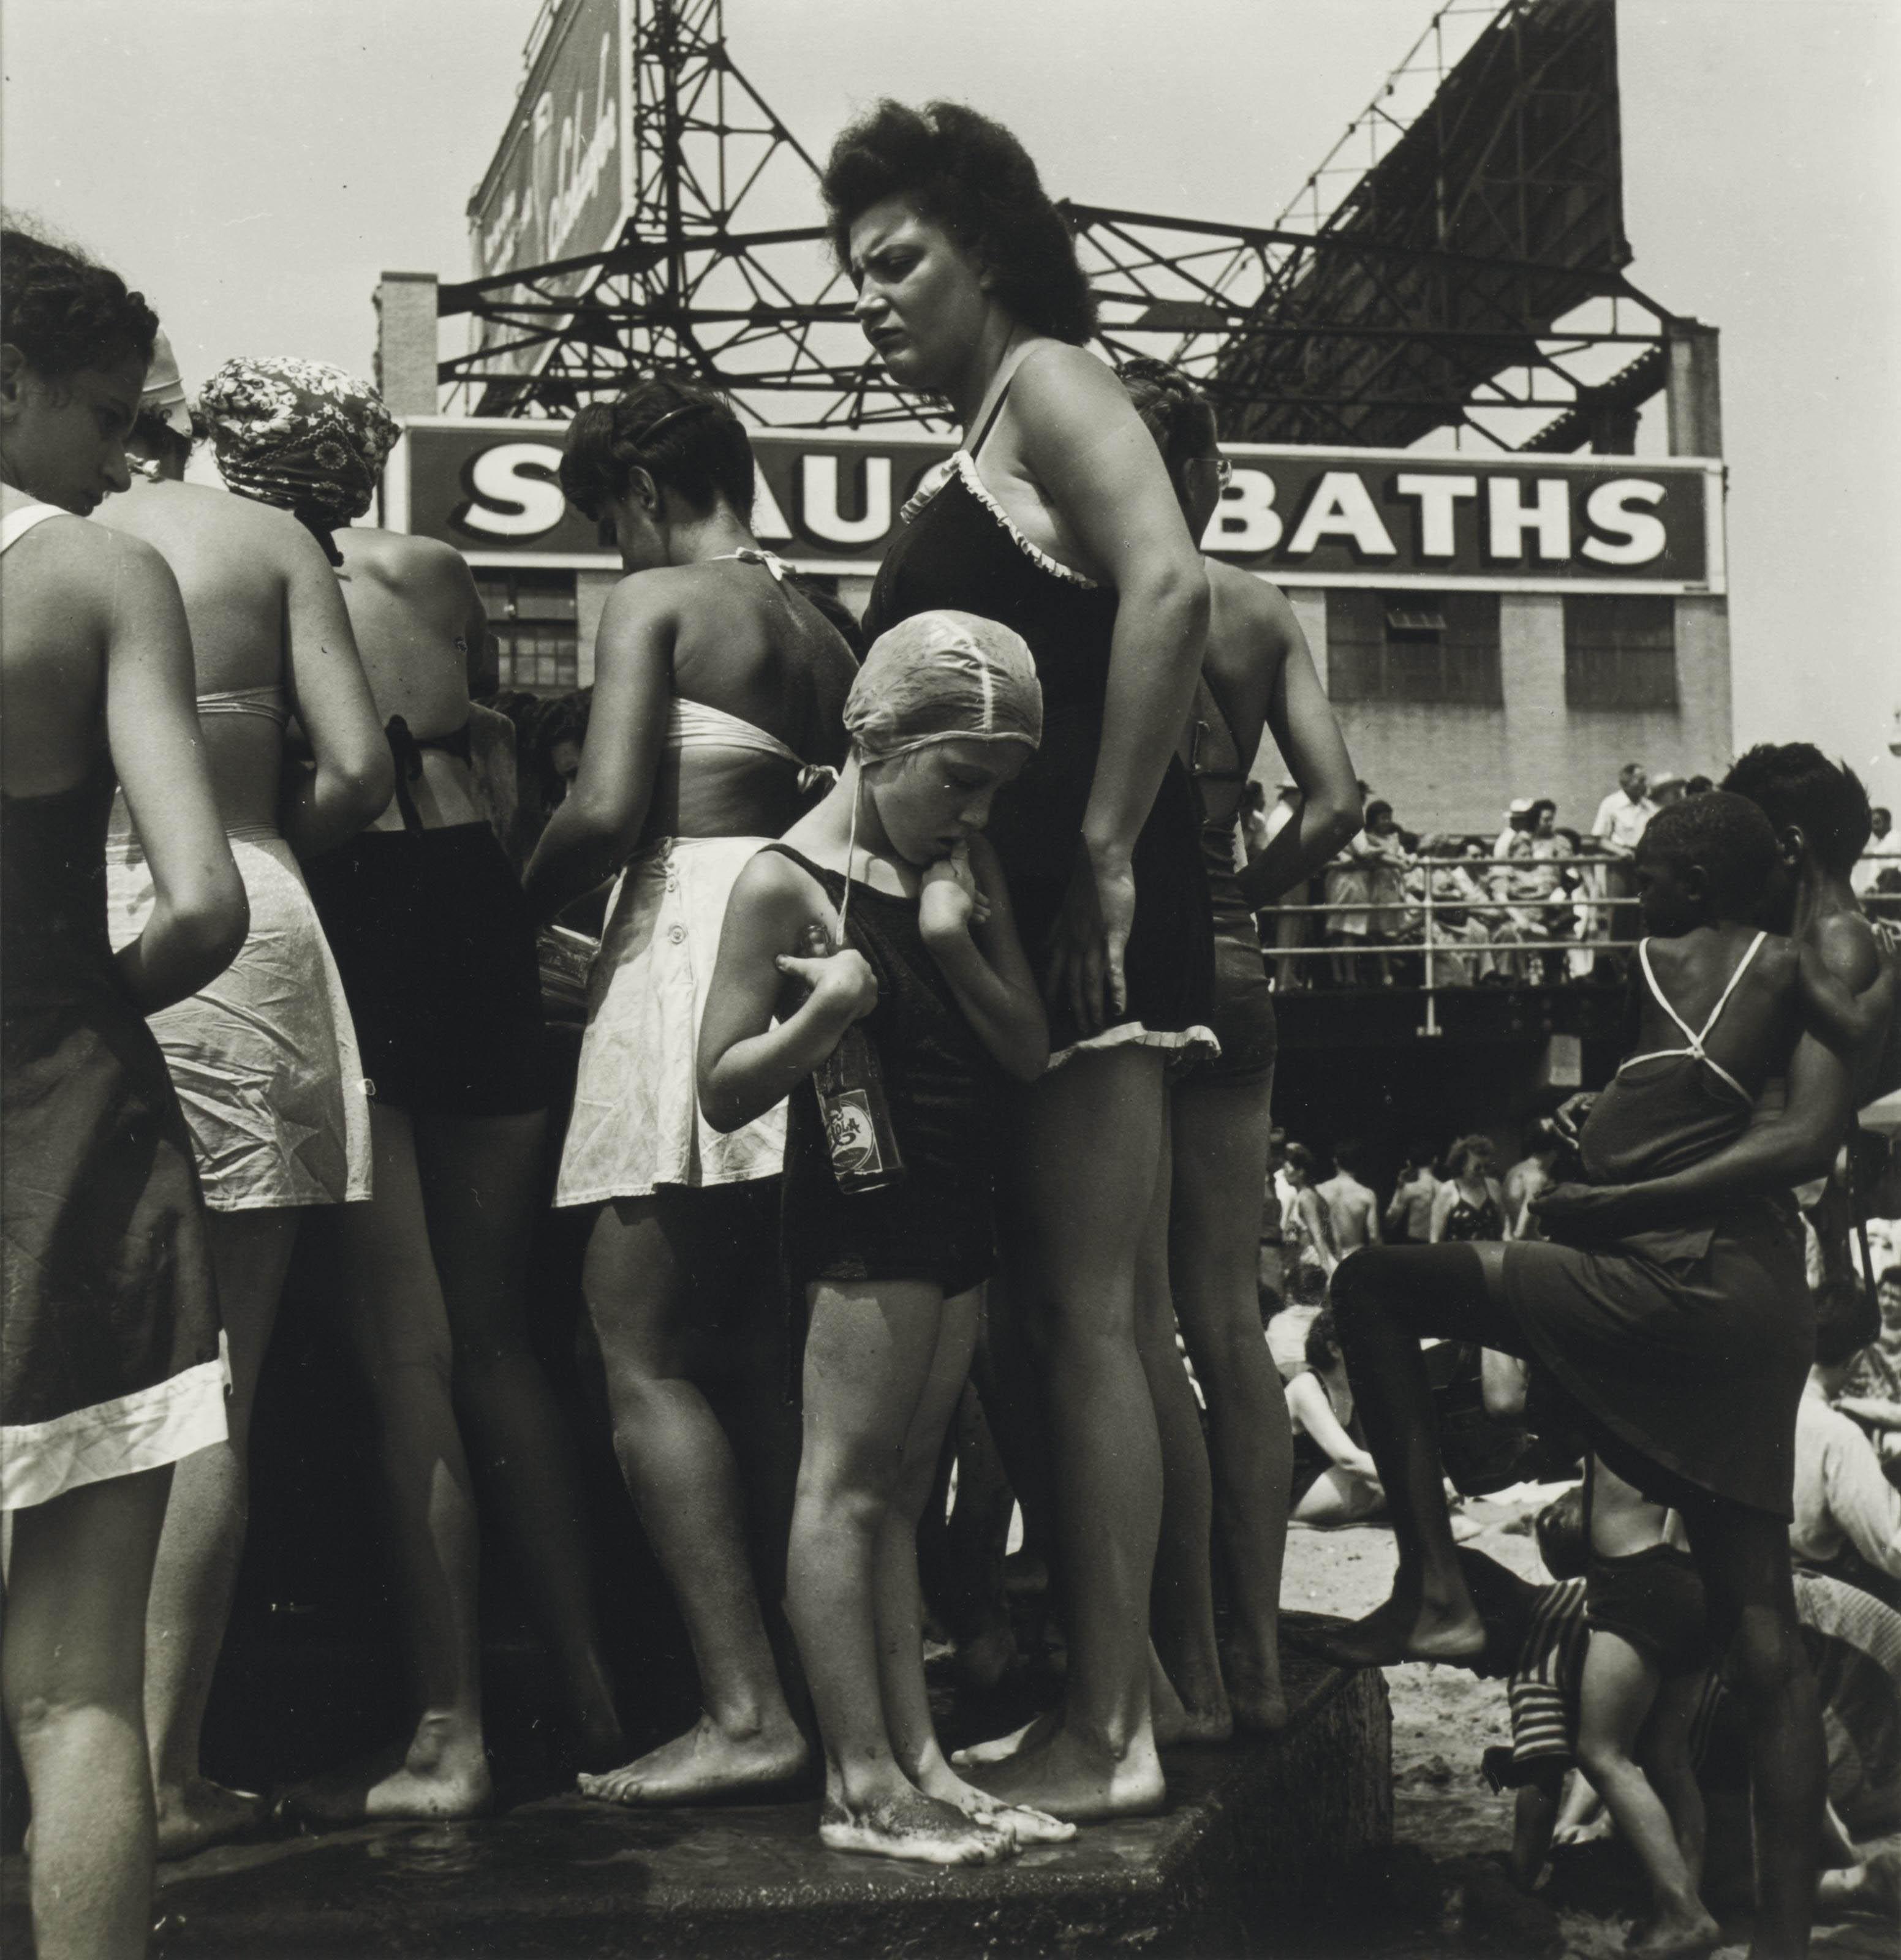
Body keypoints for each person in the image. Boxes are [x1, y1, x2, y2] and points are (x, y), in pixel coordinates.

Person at [825, 100, 1216, 1819]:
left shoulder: (1050, 378)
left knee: (1080, 1325)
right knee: (1101, 1320)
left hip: (1077, 915)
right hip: (1052, 906)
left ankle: (1113, 1732)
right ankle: (1142, 1701)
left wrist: (1108, 852)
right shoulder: (991, 417)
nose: (868, 301)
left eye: (895, 261)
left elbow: (1167, 588)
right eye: (852, 277)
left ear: (986, 245)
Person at [1318, 791, 1885, 1960]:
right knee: (1762, 1642)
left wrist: (1606, 1183)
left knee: (1372, 1284)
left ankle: (1432, 1584)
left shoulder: (1656, 953)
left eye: (1648, 868)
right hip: (1748, 1306)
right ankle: (1778, 1943)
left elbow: (1754, 1119)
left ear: (1685, 880)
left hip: (1665, 1280)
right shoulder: (1795, 965)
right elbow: (1840, 1030)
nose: (1630, 880)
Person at [200, 355, 624, 1819]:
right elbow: (485, 732)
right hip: (473, 909)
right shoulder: (433, 565)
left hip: (357, 901)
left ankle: (446, 1726)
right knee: (501, 1335)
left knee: (403, 1354)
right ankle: (587, 1680)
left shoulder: (226, 568)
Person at [525, 379, 858, 1806]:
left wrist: (503, 906)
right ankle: (824, 1687)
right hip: (796, 944)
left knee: (635, 1346)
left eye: (609, 523)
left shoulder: (656, 603)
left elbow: (605, 810)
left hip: (680, 947)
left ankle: (740, 1707)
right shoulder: (819, 619)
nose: (613, 554)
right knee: (764, 1352)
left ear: (646, 495)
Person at [697, 609, 1072, 1864]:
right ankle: (858, 1781)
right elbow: (722, 1084)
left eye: (993, 789)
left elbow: (1025, 1049)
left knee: (905, 1491)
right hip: (863, 1208)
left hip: (956, 1195)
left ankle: (924, 1761)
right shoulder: (783, 882)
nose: (971, 810)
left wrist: (959, 945)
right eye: (958, 781)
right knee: (843, 1484)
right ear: (879, 745)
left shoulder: (965, 872)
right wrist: (826, 1016)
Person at [93, 341, 392, 1856]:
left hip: (71, 912)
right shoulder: (268, 546)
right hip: (245, 919)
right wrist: (271, 834)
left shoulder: (61, 538)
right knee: (219, 1373)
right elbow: (359, 766)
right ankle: (163, 1770)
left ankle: (66, 1755)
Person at [1, 229, 248, 1960]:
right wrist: (80, 1002)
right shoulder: (93, 578)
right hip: (62, 1138)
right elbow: (205, 898)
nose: (124, 455)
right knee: (81, 1692)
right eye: (101, 416)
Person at [1118, 357, 1360, 1735]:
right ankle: (1260, 1657)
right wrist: (1242, 904)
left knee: (1130, 1325)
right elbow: (1332, 804)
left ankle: (1188, 1670)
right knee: (1228, 1321)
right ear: (1205, 474)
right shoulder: (1255, 611)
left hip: (1122, 973)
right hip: (1234, 966)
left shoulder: (1097, 599)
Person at [1572, 1455, 1721, 1958]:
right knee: (1667, 1757)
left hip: (1634, 1576)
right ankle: (1683, 1907)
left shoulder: (1614, 1378)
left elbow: (1504, 1404)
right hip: (1697, 1573)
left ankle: (1683, 1912)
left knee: (1601, 1752)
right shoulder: (1704, 1385)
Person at [1793, 1280, 1901, 1608]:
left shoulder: (1751, 1402)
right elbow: (1892, 1546)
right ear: (1854, 1361)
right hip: (1803, 1593)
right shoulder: (1837, 1435)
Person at [1286, 1310, 1385, 1526]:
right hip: (1290, 1492)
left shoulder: (1352, 1387)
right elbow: (1349, 1459)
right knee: (1384, 1488)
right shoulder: (1306, 1387)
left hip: (1327, 1479)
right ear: (1334, 1349)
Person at [1836, 1267, 1901, 1469]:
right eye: (1883, 1294)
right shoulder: (1862, 1337)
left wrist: (1847, 1404)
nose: (1886, 1303)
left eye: (1895, 1298)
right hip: (1858, 1424)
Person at [1592, 762, 1658, 957]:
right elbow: (1599, 839)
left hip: (1644, 863)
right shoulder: (1611, 804)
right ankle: (1618, 962)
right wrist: (1619, 851)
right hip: (1621, 865)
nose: (1645, 784)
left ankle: (1641, 959)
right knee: (1620, 912)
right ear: (1626, 783)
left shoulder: (1649, 807)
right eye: (1640, 780)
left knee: (1644, 912)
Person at [1429, 1135, 1506, 1244]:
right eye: (1477, 1168)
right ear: (1462, 1166)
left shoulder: (1493, 1186)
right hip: (1459, 1258)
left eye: (1487, 1167)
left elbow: (1504, 1224)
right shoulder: (1448, 1190)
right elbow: (1435, 1238)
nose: (1483, 1172)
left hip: (1490, 1257)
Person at [1318, 1139, 1384, 1256]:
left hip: (1327, 1255)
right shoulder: (1367, 1195)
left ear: (1335, 1160)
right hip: (1353, 1257)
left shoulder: (1319, 1190)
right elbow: (1374, 1236)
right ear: (1358, 1163)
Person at [1503, 1121, 1565, 1242]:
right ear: (1556, 1150)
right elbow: (1521, 1231)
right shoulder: (1537, 1178)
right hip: (1526, 1248)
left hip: (1508, 1245)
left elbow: (1507, 1221)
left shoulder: (1514, 1171)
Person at [1385, 1140, 1442, 1245]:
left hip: (1414, 1244)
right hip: (1439, 1245)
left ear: (1410, 1163)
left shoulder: (1410, 1189)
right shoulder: (1444, 1188)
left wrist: (1399, 1187)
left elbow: (1390, 1220)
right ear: (1435, 1160)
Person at [1855, 806, 1898, 900]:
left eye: (1877, 822)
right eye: (1872, 824)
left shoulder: (1897, 839)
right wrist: (1871, 886)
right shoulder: (1878, 846)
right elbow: (1874, 870)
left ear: (1888, 822)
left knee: (1890, 874)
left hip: (1894, 884)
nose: (1874, 827)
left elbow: (1895, 867)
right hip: (1882, 885)